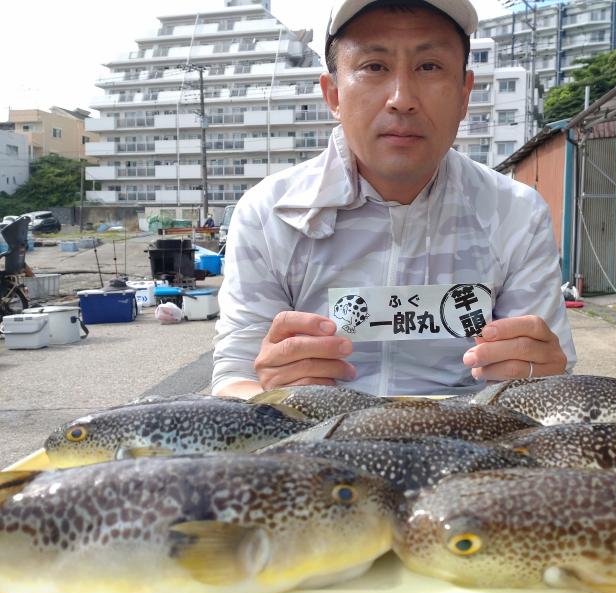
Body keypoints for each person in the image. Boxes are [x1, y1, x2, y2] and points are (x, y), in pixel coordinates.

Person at [213, 0, 576, 399]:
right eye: (374, 67)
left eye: (429, 66)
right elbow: (234, 376)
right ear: (333, 95)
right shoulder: (270, 214)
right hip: (316, 442)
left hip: (468, 445)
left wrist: (539, 373)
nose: (402, 98)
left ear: (464, 93)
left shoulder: (516, 213)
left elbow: (541, 378)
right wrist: (268, 393)